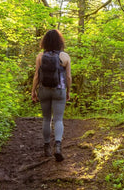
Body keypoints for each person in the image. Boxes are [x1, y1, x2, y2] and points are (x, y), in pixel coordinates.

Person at [31, 29, 72, 162]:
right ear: (60, 42)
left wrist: (33, 91)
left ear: (45, 42)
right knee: (58, 119)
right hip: (59, 90)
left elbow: (36, 76)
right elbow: (69, 77)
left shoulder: (40, 56)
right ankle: (58, 147)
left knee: (46, 119)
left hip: (44, 90)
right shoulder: (65, 57)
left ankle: (47, 146)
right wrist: (68, 91)